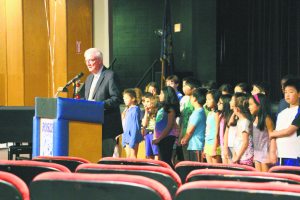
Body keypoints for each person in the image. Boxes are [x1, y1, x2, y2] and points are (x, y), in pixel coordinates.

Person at [84, 48, 123, 157]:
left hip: (106, 127)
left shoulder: (110, 75)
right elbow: (87, 100)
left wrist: (98, 105)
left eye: (91, 60)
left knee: (105, 158)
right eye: (86, 60)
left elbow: (116, 98)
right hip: (91, 125)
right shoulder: (88, 79)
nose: (88, 63)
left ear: (100, 60)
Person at [270, 78, 300, 166]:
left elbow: (289, 131)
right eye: (285, 92)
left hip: (294, 156)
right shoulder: (281, 113)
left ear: (299, 94)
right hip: (280, 156)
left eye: (291, 92)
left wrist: (272, 134)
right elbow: (275, 133)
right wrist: (272, 151)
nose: (287, 95)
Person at [152, 86, 180, 169]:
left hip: (167, 137)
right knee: (162, 160)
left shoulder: (170, 109)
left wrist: (159, 138)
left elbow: (169, 126)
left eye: (161, 93)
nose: (159, 95)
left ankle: (173, 176)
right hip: (161, 138)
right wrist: (156, 137)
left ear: (167, 95)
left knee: (166, 160)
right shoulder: (162, 108)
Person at [248, 93, 276, 171]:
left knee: (265, 177)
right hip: (257, 152)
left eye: (250, 104)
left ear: (259, 105)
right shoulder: (254, 119)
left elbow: (272, 136)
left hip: (265, 153)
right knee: (258, 178)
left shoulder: (266, 119)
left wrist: (272, 153)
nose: (248, 107)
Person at [180, 88, 207, 162]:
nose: (190, 99)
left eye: (191, 97)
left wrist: (185, 139)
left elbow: (190, 131)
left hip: (196, 146)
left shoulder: (197, 113)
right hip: (194, 145)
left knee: (195, 169)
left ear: (194, 98)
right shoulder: (199, 111)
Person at [232, 92, 254, 166]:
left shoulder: (245, 122)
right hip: (240, 156)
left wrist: (237, 157)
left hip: (245, 157)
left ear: (237, 109)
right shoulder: (240, 121)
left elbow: (245, 142)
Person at [122, 89, 143, 158]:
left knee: (132, 157)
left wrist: (133, 140)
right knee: (128, 157)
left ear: (133, 98)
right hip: (127, 138)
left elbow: (135, 126)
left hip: (132, 138)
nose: (124, 100)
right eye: (124, 98)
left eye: (127, 98)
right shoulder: (128, 110)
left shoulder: (135, 110)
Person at [204, 89, 222, 163]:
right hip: (208, 143)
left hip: (215, 144)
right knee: (209, 168)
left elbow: (217, 132)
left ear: (216, 100)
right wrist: (205, 146)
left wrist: (215, 146)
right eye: (206, 99)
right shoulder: (209, 113)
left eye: (209, 99)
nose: (207, 101)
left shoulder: (216, 114)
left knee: (216, 169)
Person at [141, 92, 159, 160]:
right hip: (147, 134)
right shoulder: (143, 112)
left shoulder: (157, 111)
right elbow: (144, 124)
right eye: (145, 101)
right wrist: (146, 112)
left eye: (148, 101)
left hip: (154, 134)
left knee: (156, 153)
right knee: (148, 154)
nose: (146, 103)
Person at [217, 94, 232, 164]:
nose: (218, 104)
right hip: (222, 146)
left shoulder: (229, 118)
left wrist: (225, 147)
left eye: (220, 102)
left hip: (228, 147)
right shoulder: (221, 116)